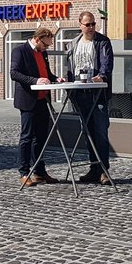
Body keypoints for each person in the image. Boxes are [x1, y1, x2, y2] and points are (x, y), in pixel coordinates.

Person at [64, 11, 114, 184]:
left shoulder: (102, 42)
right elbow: (70, 67)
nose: (91, 27)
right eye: (88, 24)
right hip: (79, 94)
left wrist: (102, 76)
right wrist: (69, 87)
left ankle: (104, 171)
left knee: (100, 132)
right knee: (87, 133)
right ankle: (94, 169)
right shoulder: (73, 43)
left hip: (97, 94)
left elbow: (107, 65)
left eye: (93, 24)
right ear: (80, 25)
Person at [9, 26, 61, 186]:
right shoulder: (20, 51)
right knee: (27, 137)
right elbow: (14, 73)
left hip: (43, 99)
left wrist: (55, 79)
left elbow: (46, 73)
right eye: (45, 45)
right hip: (28, 100)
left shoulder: (42, 53)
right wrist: (35, 81)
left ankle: (40, 172)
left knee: (41, 137)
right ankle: (24, 172)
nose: (46, 48)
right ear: (37, 39)